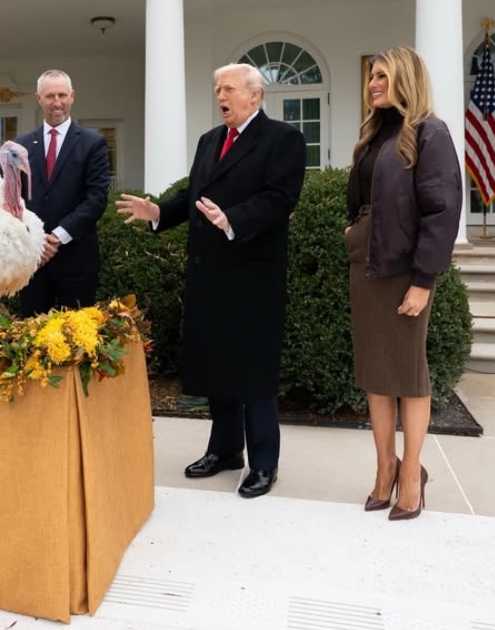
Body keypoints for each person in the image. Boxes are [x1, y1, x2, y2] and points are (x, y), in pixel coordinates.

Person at [116, 63, 306, 498]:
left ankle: (263, 463)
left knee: (253, 373)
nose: (221, 96)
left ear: (254, 96)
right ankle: (224, 451)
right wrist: (160, 212)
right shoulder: (210, 140)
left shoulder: (283, 139)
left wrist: (233, 219)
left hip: (253, 274)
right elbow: (193, 196)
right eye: (217, 88)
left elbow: (280, 199)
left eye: (229, 89)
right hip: (211, 273)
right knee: (219, 366)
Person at [347, 46, 461, 521]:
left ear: (406, 80)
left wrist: (424, 280)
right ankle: (383, 469)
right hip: (367, 267)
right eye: (372, 76)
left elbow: (442, 210)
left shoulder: (429, 133)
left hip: (405, 271)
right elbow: (359, 201)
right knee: (376, 373)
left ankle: (412, 472)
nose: (373, 83)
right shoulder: (373, 136)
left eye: (383, 76)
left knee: (409, 375)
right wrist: (352, 229)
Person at [14, 69, 111, 317]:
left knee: (77, 343)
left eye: (62, 95)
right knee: (32, 341)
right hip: (33, 263)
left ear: (72, 97)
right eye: (50, 96)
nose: (57, 102)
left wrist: (56, 237)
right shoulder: (21, 145)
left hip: (77, 262)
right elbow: (14, 199)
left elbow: (97, 199)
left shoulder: (93, 143)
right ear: (39, 99)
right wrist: (37, 241)